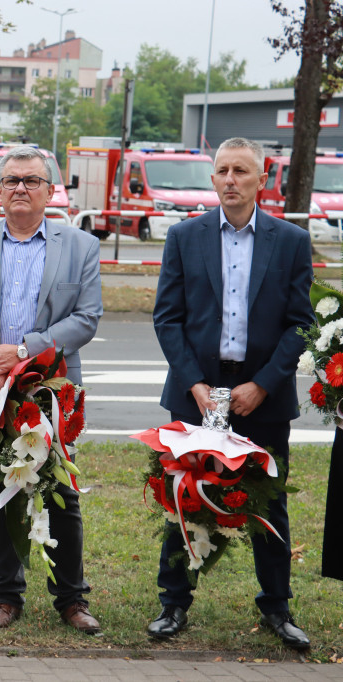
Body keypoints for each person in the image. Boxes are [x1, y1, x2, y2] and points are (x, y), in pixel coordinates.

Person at [149, 137, 314, 650]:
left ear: (262, 179)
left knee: (269, 502)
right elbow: (167, 317)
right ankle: (173, 603)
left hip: (260, 390)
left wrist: (262, 385)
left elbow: (299, 323)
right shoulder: (184, 236)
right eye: (222, 170)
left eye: (241, 171)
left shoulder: (290, 241)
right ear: (213, 177)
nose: (230, 180)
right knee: (184, 496)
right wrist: (195, 383)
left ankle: (277, 607)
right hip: (198, 387)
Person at [0, 146, 104, 634]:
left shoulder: (81, 246)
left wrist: (21, 354)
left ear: (50, 191)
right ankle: (6, 596)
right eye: (11, 181)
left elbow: (85, 319)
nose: (20, 189)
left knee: (60, 491)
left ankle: (72, 599)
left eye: (31, 181)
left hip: (48, 388)